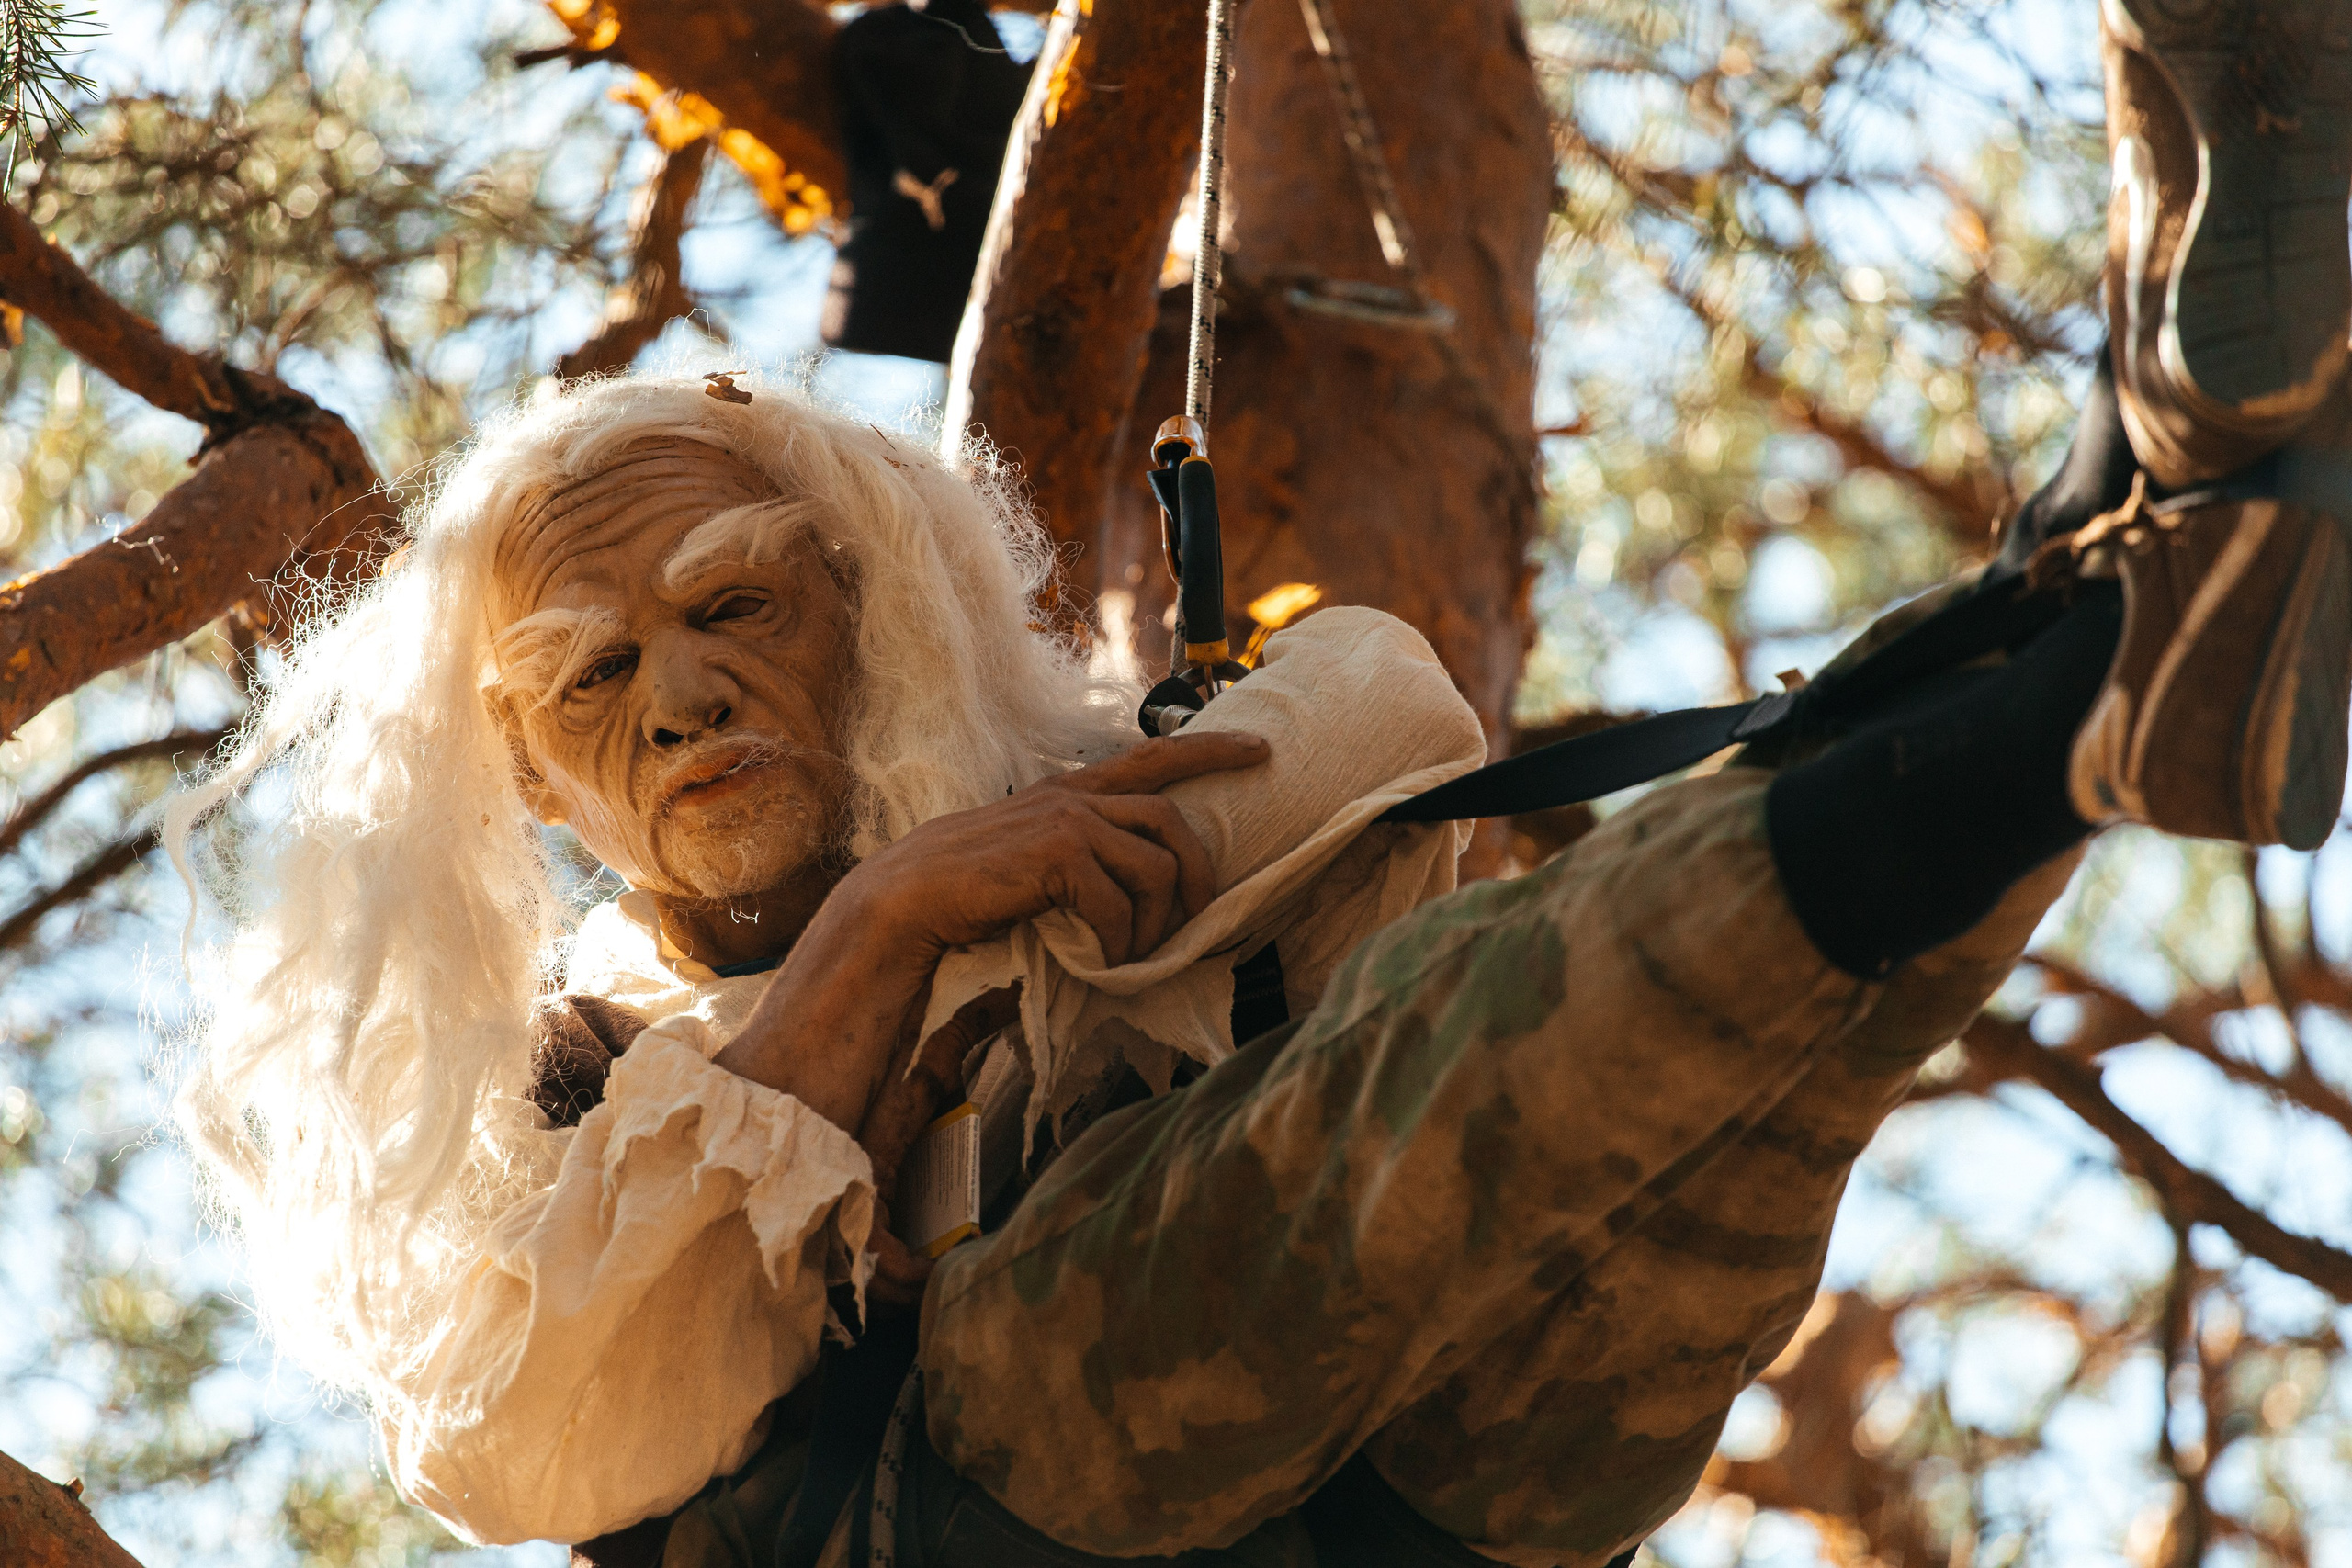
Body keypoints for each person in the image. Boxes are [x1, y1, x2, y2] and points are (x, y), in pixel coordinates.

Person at [166, 3, 2352, 1565]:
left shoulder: (1082, 806)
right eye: (595, 676)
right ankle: (2095, 617)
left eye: (736, 607)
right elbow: (532, 1435)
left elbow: (1376, 741)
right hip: (973, 1503)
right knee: (1357, 1123)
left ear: (873, 605)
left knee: (1707, 1119)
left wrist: (1081, 871)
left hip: (1421, 1496)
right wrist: (887, 924)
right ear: (530, 774)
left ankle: (2121, 611)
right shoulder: (564, 1093)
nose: (678, 699)